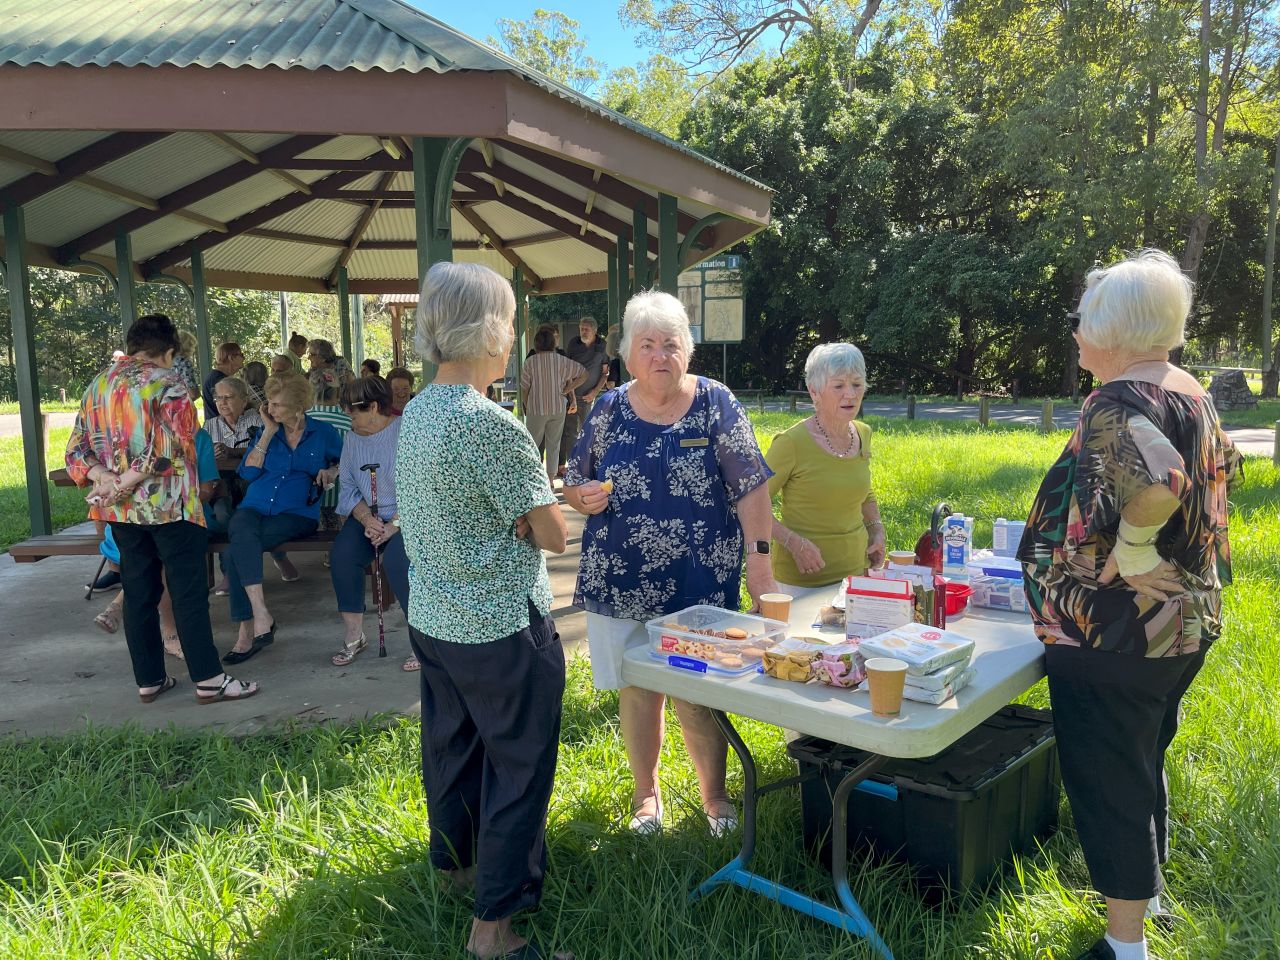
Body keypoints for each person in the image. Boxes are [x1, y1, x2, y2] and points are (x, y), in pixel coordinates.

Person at [1018, 250, 1241, 960]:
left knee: (1109, 779)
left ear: (1114, 328)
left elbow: (1163, 478)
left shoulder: (1115, 400)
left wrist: (1137, 546)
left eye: (1083, 321)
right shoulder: (1188, 391)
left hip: (1113, 634)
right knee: (1141, 760)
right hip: (1180, 627)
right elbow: (1214, 470)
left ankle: (1126, 945)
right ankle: (1152, 901)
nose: (1076, 334)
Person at [397, 262, 571, 960]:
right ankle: (494, 929)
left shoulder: (417, 410)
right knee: (519, 768)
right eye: (512, 322)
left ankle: (455, 870)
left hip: (435, 617)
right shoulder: (493, 426)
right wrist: (532, 516)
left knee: (452, 749)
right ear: (492, 331)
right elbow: (554, 535)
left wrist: (520, 515)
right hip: (502, 627)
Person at [564, 290, 778, 835]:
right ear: (628, 356)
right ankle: (646, 797)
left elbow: (752, 487)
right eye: (648, 345)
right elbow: (575, 479)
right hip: (622, 578)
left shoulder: (715, 402)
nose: (660, 355)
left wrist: (760, 567)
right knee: (639, 689)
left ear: (688, 350)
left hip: (699, 580)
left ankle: (715, 798)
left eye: (671, 343)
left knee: (698, 692)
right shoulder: (608, 409)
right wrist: (581, 497)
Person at [66, 314, 259, 705]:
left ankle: (150, 679)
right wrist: (125, 480)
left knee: (139, 592)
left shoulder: (98, 384)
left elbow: (76, 450)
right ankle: (209, 679)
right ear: (169, 351)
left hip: (122, 512)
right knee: (188, 593)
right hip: (172, 508)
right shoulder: (170, 384)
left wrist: (106, 478)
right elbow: (171, 449)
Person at [222, 373, 343, 664]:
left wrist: (332, 471)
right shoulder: (268, 431)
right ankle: (260, 615)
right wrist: (266, 432)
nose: (269, 409)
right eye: (269, 403)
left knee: (236, 550)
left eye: (277, 405)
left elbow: (345, 461)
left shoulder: (323, 433)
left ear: (298, 406)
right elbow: (248, 473)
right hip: (255, 506)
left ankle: (247, 631)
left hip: (296, 513)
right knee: (240, 527)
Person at [766, 343, 885, 588]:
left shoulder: (863, 433)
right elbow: (750, 505)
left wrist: (876, 530)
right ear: (814, 392)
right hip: (800, 583)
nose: (850, 394)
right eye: (839, 386)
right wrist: (794, 543)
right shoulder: (790, 443)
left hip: (856, 575)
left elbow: (864, 492)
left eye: (857, 384)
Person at [327, 375, 417, 671]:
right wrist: (366, 518)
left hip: (410, 516)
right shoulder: (352, 438)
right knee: (343, 555)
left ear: (374, 407)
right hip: (370, 514)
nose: (347, 414)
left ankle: (422, 640)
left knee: (398, 562)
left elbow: (423, 488)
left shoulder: (407, 431)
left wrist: (395, 524)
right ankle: (355, 635)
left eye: (352, 409)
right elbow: (348, 486)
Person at [520, 325, 585, 482]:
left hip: (536, 407)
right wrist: (568, 389)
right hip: (557, 407)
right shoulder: (561, 360)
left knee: (532, 443)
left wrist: (526, 405)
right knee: (554, 444)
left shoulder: (530, 362)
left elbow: (525, 388)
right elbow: (584, 374)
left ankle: (531, 477)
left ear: (536, 344)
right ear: (553, 343)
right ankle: (550, 480)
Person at [558, 316, 610, 478]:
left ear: (595, 330)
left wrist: (594, 392)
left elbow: (605, 373)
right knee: (570, 433)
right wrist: (572, 395)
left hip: (589, 397)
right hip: (572, 395)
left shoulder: (603, 346)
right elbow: (567, 371)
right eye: (581, 329)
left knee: (588, 433)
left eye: (586, 329)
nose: (583, 332)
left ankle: (587, 466)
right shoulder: (574, 344)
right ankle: (572, 466)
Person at [308, 370, 353, 533]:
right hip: (341, 496)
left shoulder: (301, 420)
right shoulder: (350, 422)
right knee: (336, 534)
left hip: (307, 495)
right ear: (338, 392)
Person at [202, 341, 244, 421]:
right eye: (241, 355)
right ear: (231, 358)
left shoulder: (216, 377)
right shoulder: (219, 380)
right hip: (221, 426)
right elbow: (230, 406)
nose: (243, 358)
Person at [171, 330, 201, 401]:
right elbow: (193, 394)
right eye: (192, 345)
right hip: (180, 405)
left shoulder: (166, 361)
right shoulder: (184, 363)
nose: (193, 349)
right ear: (187, 346)